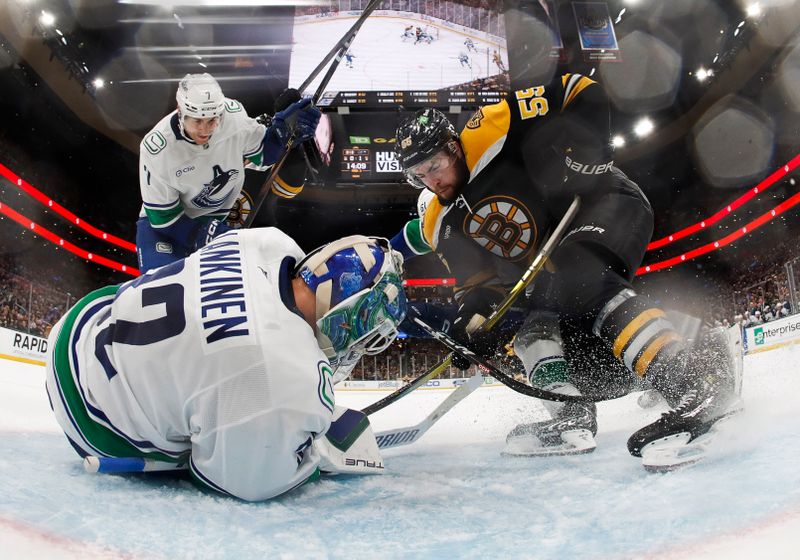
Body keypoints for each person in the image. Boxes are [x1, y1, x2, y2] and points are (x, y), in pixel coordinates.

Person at [391, 74, 743, 470]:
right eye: (419, 175)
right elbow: (480, 285)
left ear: (453, 147)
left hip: (604, 202)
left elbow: (575, 86)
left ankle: (694, 384)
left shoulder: (492, 126)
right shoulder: (438, 220)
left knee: (580, 278)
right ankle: (576, 413)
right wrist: (471, 325)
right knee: (551, 344)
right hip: (554, 268)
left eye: (434, 165)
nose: (432, 181)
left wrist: (593, 141)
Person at [44, 229, 407, 501]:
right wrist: (313, 453)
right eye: (365, 329)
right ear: (346, 312)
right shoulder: (285, 380)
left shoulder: (266, 242)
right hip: (93, 417)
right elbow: (240, 481)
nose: (357, 345)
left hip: (82, 321)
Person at [136, 73, 321, 273]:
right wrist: (207, 234)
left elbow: (264, 154)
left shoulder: (233, 118)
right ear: (180, 111)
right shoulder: (157, 149)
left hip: (213, 220)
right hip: (167, 228)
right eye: (197, 120)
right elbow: (165, 220)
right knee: (164, 288)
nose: (204, 130)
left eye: (212, 120)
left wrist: (283, 131)